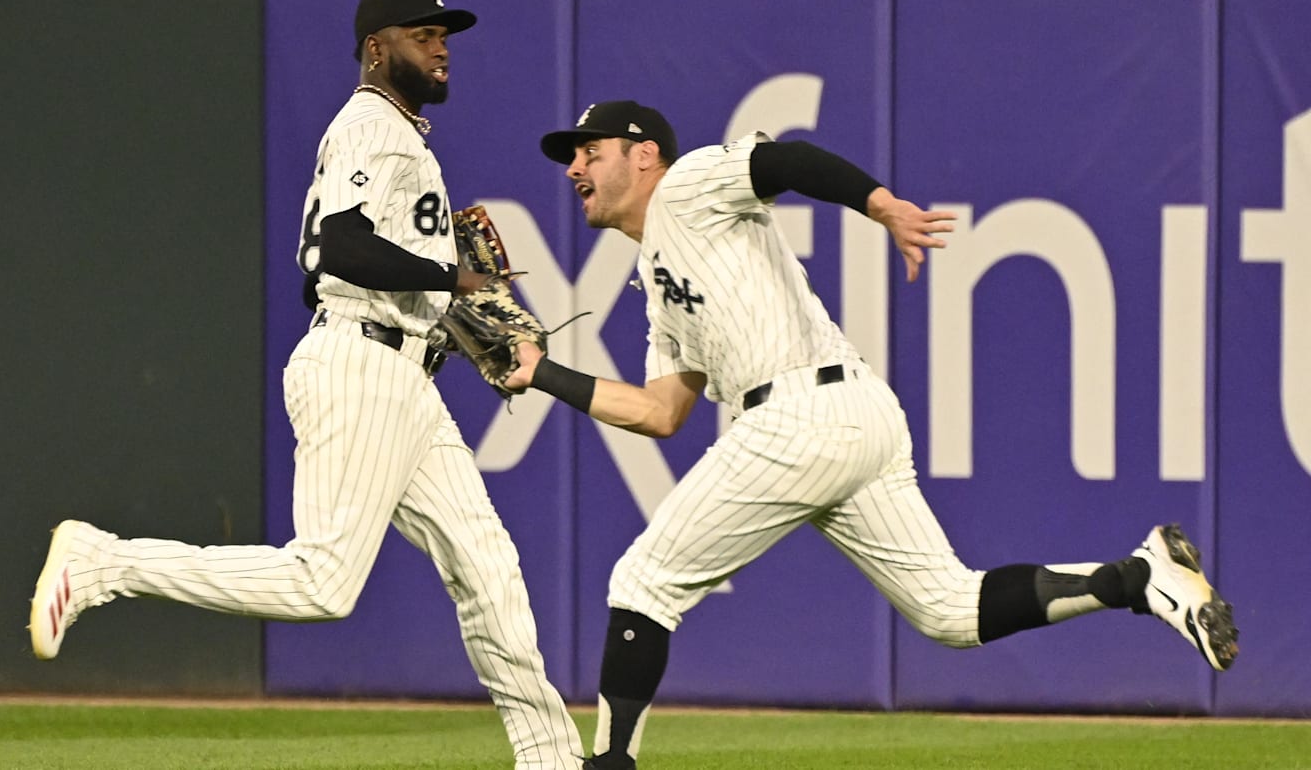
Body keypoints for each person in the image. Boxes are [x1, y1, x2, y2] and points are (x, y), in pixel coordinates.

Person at [506, 100, 1240, 770]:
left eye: (588, 150)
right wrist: (541, 374)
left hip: (801, 414)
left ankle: (609, 765)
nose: (574, 168)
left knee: (642, 581)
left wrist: (882, 205)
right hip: (855, 415)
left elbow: (782, 161)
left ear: (643, 155)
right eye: (571, 157)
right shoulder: (659, 282)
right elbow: (660, 411)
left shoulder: (689, 183)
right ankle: (1136, 578)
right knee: (950, 610)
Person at [29, 0, 584, 769]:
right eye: (421, 34)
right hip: (359, 367)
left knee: (489, 569)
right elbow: (335, 250)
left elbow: (319, 270)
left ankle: (553, 761)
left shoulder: (402, 136)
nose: (440, 46)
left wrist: (436, 307)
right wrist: (446, 276)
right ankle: (102, 562)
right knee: (324, 581)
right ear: (374, 49)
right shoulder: (368, 125)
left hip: (401, 378)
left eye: (444, 34)